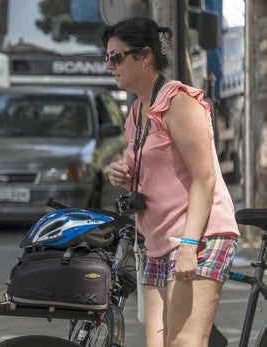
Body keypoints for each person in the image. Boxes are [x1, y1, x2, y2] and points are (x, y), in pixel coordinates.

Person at [100, 17, 239, 347]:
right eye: (107, 58)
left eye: (117, 57)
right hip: (158, 240)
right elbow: (150, 170)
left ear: (145, 56)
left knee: (185, 343)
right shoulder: (136, 111)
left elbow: (204, 178)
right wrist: (119, 173)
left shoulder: (179, 104)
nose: (110, 66)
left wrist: (190, 246)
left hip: (199, 235)